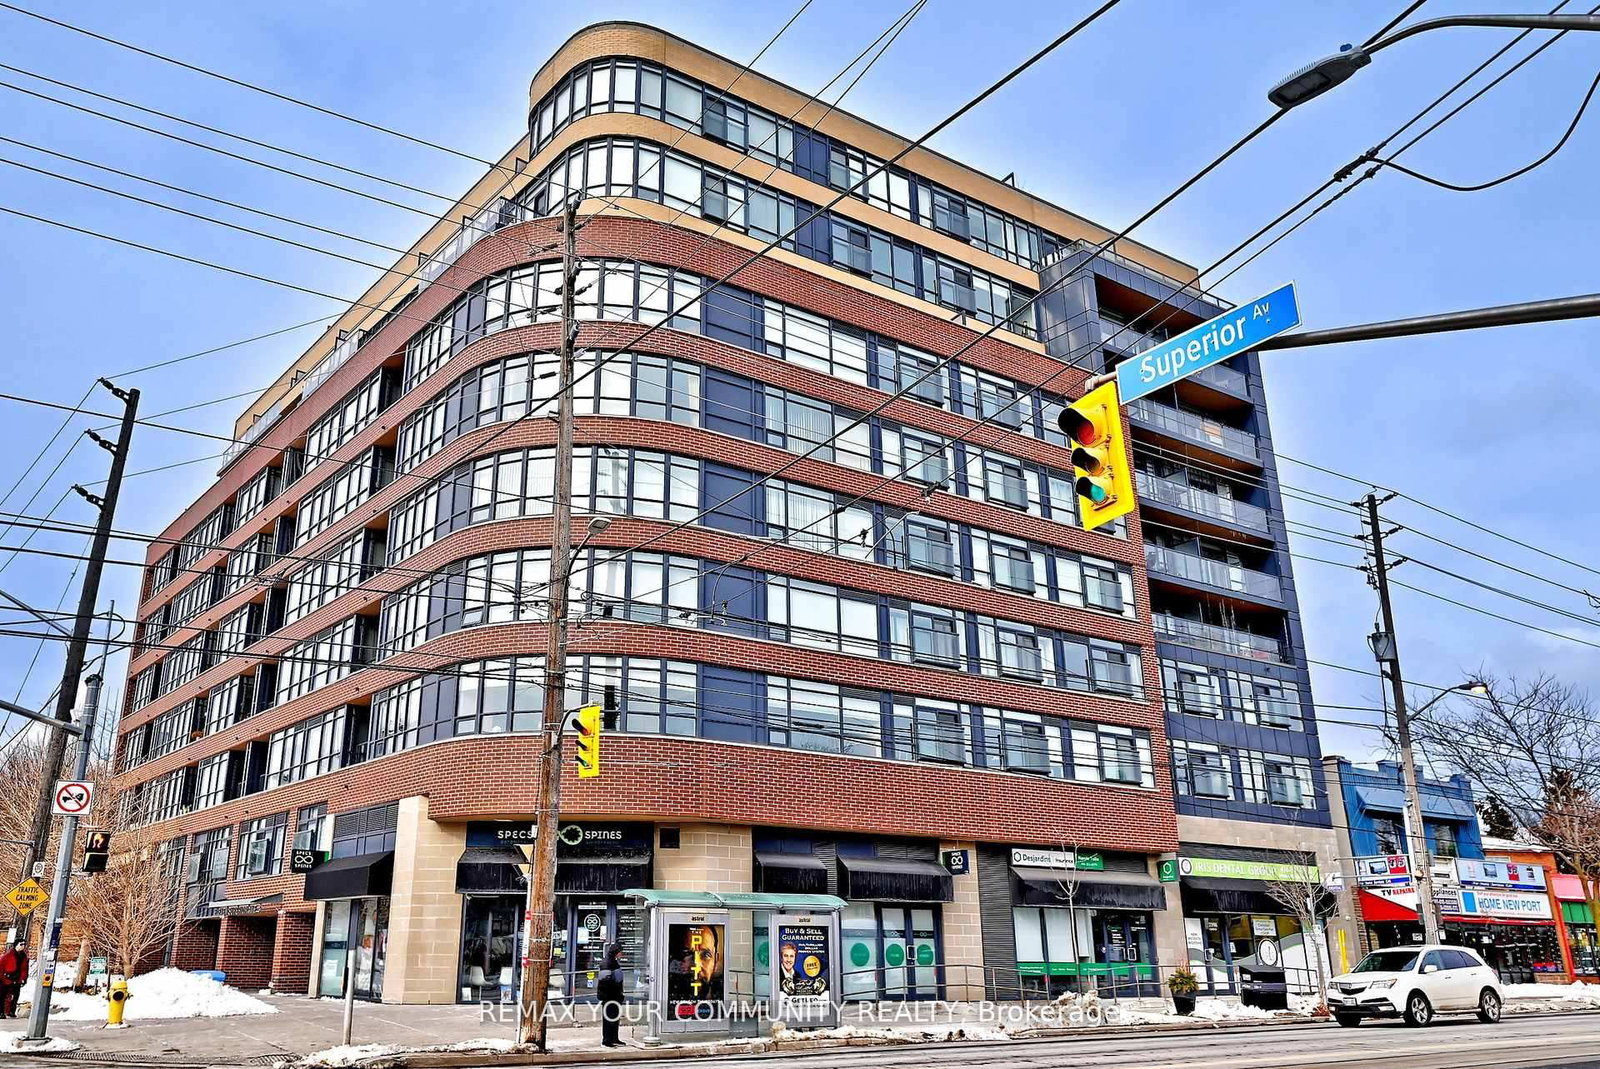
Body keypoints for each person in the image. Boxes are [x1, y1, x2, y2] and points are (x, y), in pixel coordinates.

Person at [595, 942, 625, 1048]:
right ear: (616, 952)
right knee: (609, 1018)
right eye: (620, 952)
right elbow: (605, 982)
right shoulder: (607, 963)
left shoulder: (613, 961)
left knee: (614, 1017)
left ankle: (614, 1038)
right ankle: (607, 1040)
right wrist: (608, 995)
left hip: (615, 995)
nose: (622, 954)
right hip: (610, 996)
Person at [0, 941, 28, 1017]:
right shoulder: (8, 955)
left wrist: (24, 978)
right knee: (3, 996)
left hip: (17, 979)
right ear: (16, 945)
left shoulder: (24, 956)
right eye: (21, 944)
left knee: (15, 996)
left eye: (24, 944)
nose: (23, 946)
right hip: (7, 978)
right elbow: (1, 966)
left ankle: (11, 1011)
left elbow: (24, 969)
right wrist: (2, 978)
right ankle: (1, 1012)